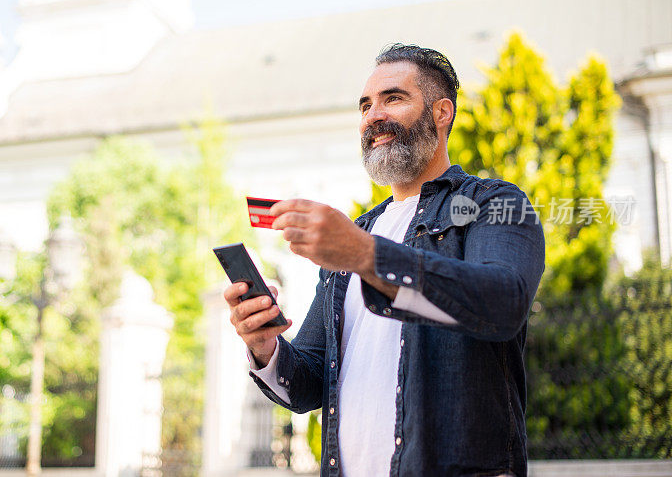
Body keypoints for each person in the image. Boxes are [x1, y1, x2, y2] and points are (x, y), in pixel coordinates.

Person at [223, 44, 545, 477]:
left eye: (393, 98)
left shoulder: (495, 203)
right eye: (365, 105)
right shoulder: (356, 236)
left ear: (441, 112)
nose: (373, 116)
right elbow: (307, 384)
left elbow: (503, 303)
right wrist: (265, 348)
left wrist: (363, 254)